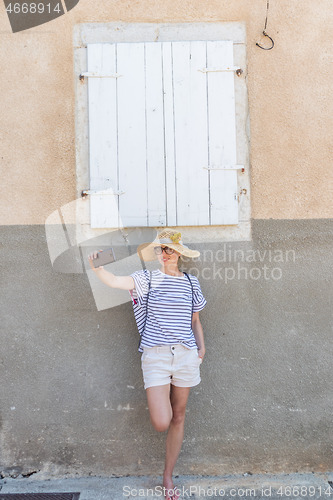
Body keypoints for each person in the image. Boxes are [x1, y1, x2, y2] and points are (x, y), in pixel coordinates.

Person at [88, 228, 206, 500]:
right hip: (156, 356)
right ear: (155, 253)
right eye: (160, 249)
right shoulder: (146, 280)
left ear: (179, 253)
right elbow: (116, 281)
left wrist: (202, 348)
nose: (164, 254)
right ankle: (166, 473)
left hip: (186, 355)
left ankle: (168, 477)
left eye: (170, 249)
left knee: (179, 415)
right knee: (162, 421)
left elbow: (195, 320)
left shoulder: (191, 282)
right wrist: (98, 268)